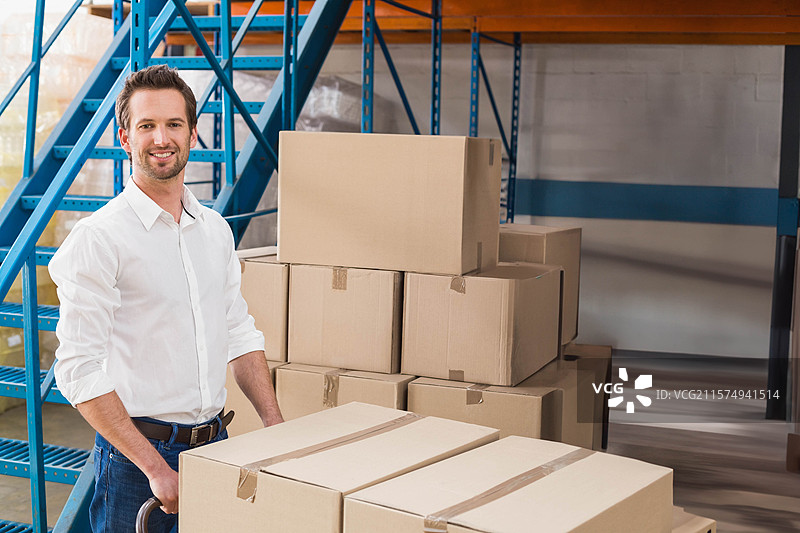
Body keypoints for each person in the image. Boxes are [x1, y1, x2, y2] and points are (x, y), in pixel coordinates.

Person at [49, 64, 283, 533]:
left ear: (192, 133)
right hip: (139, 463)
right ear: (125, 137)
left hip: (217, 445)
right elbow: (77, 370)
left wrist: (277, 427)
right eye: (147, 125)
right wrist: (155, 467)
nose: (162, 138)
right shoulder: (100, 239)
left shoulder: (214, 230)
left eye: (174, 124)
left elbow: (237, 330)